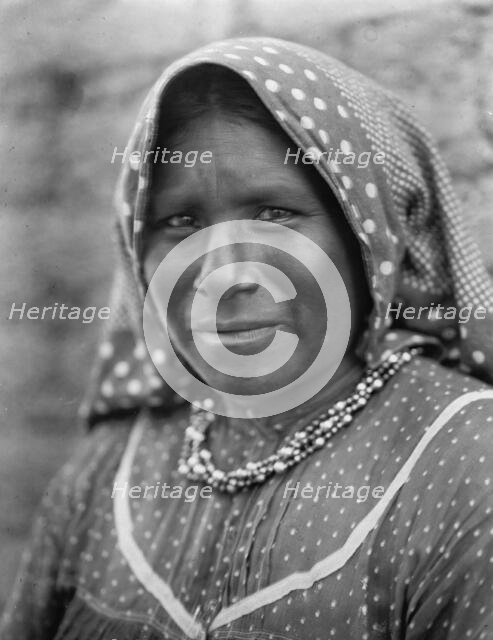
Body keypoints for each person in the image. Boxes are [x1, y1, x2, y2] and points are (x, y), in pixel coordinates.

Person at [2, 37, 493, 640]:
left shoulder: (466, 458)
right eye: (180, 221)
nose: (225, 274)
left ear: (372, 240)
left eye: (274, 213)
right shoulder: (110, 464)